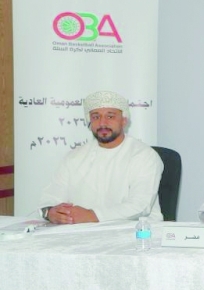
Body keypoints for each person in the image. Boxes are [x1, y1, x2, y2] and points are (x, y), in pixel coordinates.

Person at [38, 90, 162, 224]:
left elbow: (140, 206)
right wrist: (50, 212)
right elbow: (51, 196)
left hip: (135, 234)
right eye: (96, 117)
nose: (102, 123)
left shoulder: (145, 156)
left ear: (124, 120)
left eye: (110, 116)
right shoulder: (74, 157)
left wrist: (92, 215)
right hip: (81, 233)